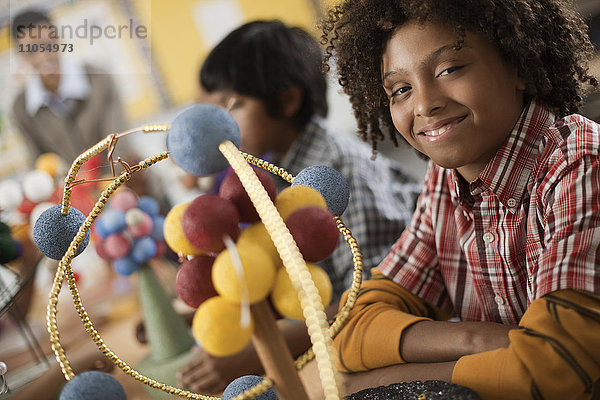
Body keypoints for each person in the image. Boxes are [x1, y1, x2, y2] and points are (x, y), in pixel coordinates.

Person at [317, 0, 600, 398]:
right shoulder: (445, 181)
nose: (424, 103)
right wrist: (479, 341)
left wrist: (379, 381)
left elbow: (551, 370)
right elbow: (350, 327)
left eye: (449, 69)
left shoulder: (580, 165)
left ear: (517, 63)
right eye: (401, 90)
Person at [176, 19, 421, 394]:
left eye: (232, 105)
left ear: (288, 100)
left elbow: (369, 296)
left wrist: (259, 351)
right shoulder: (274, 172)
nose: (220, 125)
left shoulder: (331, 174)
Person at [11, 9, 127, 164]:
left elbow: (120, 143)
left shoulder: (100, 79)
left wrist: (108, 183)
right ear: (21, 54)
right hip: (71, 187)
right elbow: (40, 165)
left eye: (48, 45)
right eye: (31, 51)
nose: (43, 56)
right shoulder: (21, 109)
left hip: (121, 178)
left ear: (58, 39)